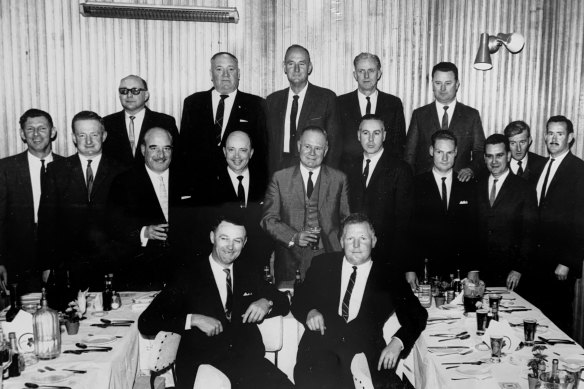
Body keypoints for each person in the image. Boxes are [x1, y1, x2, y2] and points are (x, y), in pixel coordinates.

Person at [138, 216, 293, 389]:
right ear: (212, 237)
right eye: (224, 238)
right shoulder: (189, 275)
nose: (230, 247)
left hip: (247, 364)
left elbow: (284, 302)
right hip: (203, 367)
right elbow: (146, 322)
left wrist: (267, 302)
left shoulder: (248, 273)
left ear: (245, 242)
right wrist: (193, 319)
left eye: (237, 240)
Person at [291, 213, 427, 389]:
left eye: (363, 238)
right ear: (341, 242)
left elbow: (417, 315)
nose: (356, 245)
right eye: (350, 238)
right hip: (321, 355)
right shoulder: (322, 264)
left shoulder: (389, 275)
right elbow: (299, 297)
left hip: (367, 356)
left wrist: (398, 342)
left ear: (374, 241)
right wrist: (310, 311)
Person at [38, 111, 123, 292]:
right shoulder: (56, 170)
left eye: (94, 134)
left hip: (112, 266)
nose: (89, 141)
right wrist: (47, 266)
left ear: (104, 136)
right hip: (69, 266)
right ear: (74, 138)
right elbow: (47, 222)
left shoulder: (121, 170)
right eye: (82, 135)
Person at [261, 126, 350, 287]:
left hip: (328, 259)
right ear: (299, 146)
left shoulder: (339, 179)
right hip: (289, 261)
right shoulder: (280, 178)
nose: (312, 153)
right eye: (307, 146)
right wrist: (293, 237)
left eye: (318, 148)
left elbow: (347, 221)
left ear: (326, 150)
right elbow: (268, 219)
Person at [107, 127, 181, 290]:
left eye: (166, 148)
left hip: (181, 272)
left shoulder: (187, 180)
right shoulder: (124, 182)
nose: (161, 155)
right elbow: (113, 226)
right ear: (142, 150)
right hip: (140, 273)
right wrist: (143, 232)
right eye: (154, 148)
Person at [179, 52, 268, 184]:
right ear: (211, 74)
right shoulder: (193, 103)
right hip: (199, 185)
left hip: (238, 185)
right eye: (219, 69)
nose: (225, 75)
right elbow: (184, 148)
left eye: (231, 69)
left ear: (238, 73)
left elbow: (261, 151)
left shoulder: (256, 105)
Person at [0, 109, 63, 293]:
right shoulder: (5, 169)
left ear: (52, 132)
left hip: (57, 256)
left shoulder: (67, 167)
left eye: (42, 128)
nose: (36, 134)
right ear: (22, 134)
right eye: (30, 129)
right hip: (18, 257)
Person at [532, 116, 584, 335]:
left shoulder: (578, 169)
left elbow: (581, 220)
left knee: (558, 322)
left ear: (570, 138)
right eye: (550, 133)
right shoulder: (541, 166)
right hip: (537, 262)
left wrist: (567, 261)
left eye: (559, 134)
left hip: (560, 265)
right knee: (537, 319)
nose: (553, 138)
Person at [407, 130, 477, 289]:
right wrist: (409, 269)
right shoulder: (416, 185)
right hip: (425, 269)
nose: (445, 158)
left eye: (449, 152)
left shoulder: (468, 185)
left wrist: (473, 268)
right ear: (431, 151)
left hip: (460, 271)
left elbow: (474, 230)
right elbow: (408, 230)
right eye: (439, 152)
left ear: (456, 152)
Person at [342, 114, 413, 269]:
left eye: (377, 133)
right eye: (366, 133)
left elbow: (403, 222)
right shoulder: (348, 168)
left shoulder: (400, 169)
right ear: (358, 135)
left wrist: (399, 262)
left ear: (385, 135)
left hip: (387, 256)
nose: (371, 139)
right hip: (354, 253)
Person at [404, 62, 485, 181]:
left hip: (460, 183)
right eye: (438, 83)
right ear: (432, 84)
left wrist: (470, 169)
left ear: (457, 84)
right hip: (426, 186)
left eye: (448, 83)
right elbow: (409, 155)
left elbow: (480, 151)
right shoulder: (419, 115)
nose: (442, 89)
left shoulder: (471, 115)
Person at [476, 134, 537, 289]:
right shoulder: (475, 185)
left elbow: (529, 233)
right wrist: (472, 268)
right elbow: (470, 230)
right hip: (479, 272)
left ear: (509, 156)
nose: (494, 161)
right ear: (484, 158)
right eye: (489, 156)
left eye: (499, 155)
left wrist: (518, 269)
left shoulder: (525, 188)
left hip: (511, 273)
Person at [266, 44, 340, 172]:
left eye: (301, 64)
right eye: (291, 63)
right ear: (284, 67)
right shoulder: (272, 101)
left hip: (313, 171)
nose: (296, 69)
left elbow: (333, 145)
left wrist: (326, 178)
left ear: (309, 67)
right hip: (278, 172)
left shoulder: (326, 98)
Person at [337, 52, 406, 163]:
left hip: (384, 172)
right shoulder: (340, 103)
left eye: (371, 71)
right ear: (355, 75)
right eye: (361, 71)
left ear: (379, 74)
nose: (366, 76)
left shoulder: (393, 104)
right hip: (349, 171)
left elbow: (399, 145)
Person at [103, 75, 179, 168]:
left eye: (135, 91)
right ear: (119, 95)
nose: (129, 95)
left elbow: (177, 158)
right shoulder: (107, 123)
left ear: (146, 95)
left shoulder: (165, 122)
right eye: (124, 91)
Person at [503, 120, 547, 184]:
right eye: (513, 143)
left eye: (522, 142)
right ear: (506, 143)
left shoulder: (542, 164)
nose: (518, 149)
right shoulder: (500, 165)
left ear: (529, 140)